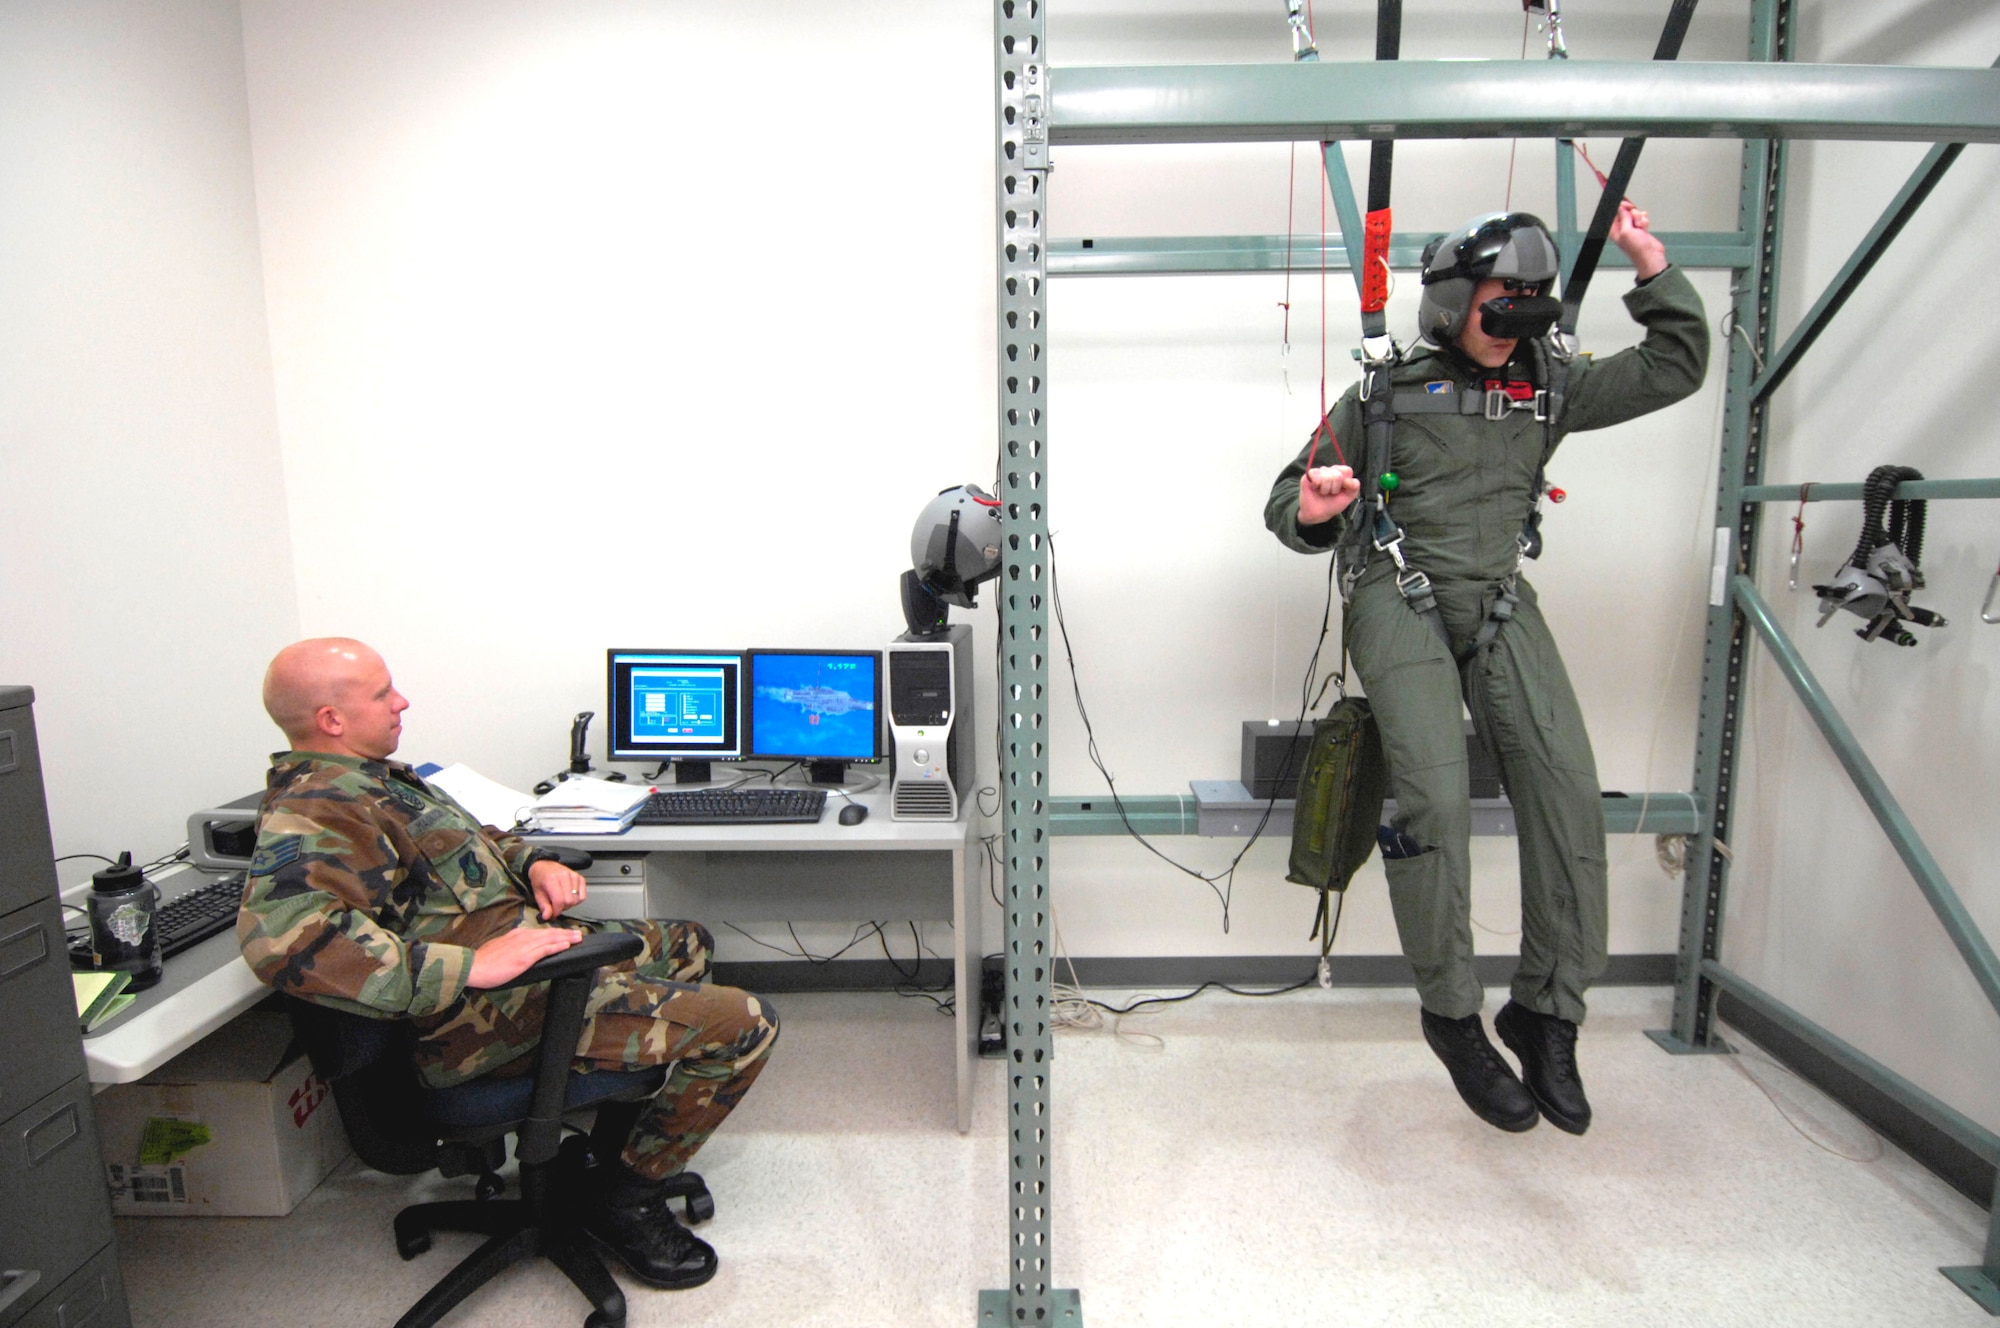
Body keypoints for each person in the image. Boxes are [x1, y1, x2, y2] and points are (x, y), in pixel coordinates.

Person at [1264, 203, 1707, 1135]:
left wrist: (1652, 267)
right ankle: (1454, 1015)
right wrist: (1314, 510)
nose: (1523, 321)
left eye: (1536, 303)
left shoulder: (1551, 386)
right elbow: (1283, 505)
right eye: (1506, 301)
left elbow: (1675, 366)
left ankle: (1547, 1012)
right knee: (1433, 796)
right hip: (1399, 592)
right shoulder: (1384, 396)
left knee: (1567, 791)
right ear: (1456, 302)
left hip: (1500, 600)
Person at [238, 637, 778, 1289]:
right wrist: (470, 968)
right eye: (382, 693)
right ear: (331, 720)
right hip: (485, 1019)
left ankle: (609, 1154)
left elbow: (480, 841)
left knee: (688, 942)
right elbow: (283, 939)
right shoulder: (320, 809)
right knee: (748, 1023)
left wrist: (536, 862)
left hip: (531, 967)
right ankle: (626, 1199)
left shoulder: (377, 780)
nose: (401, 701)